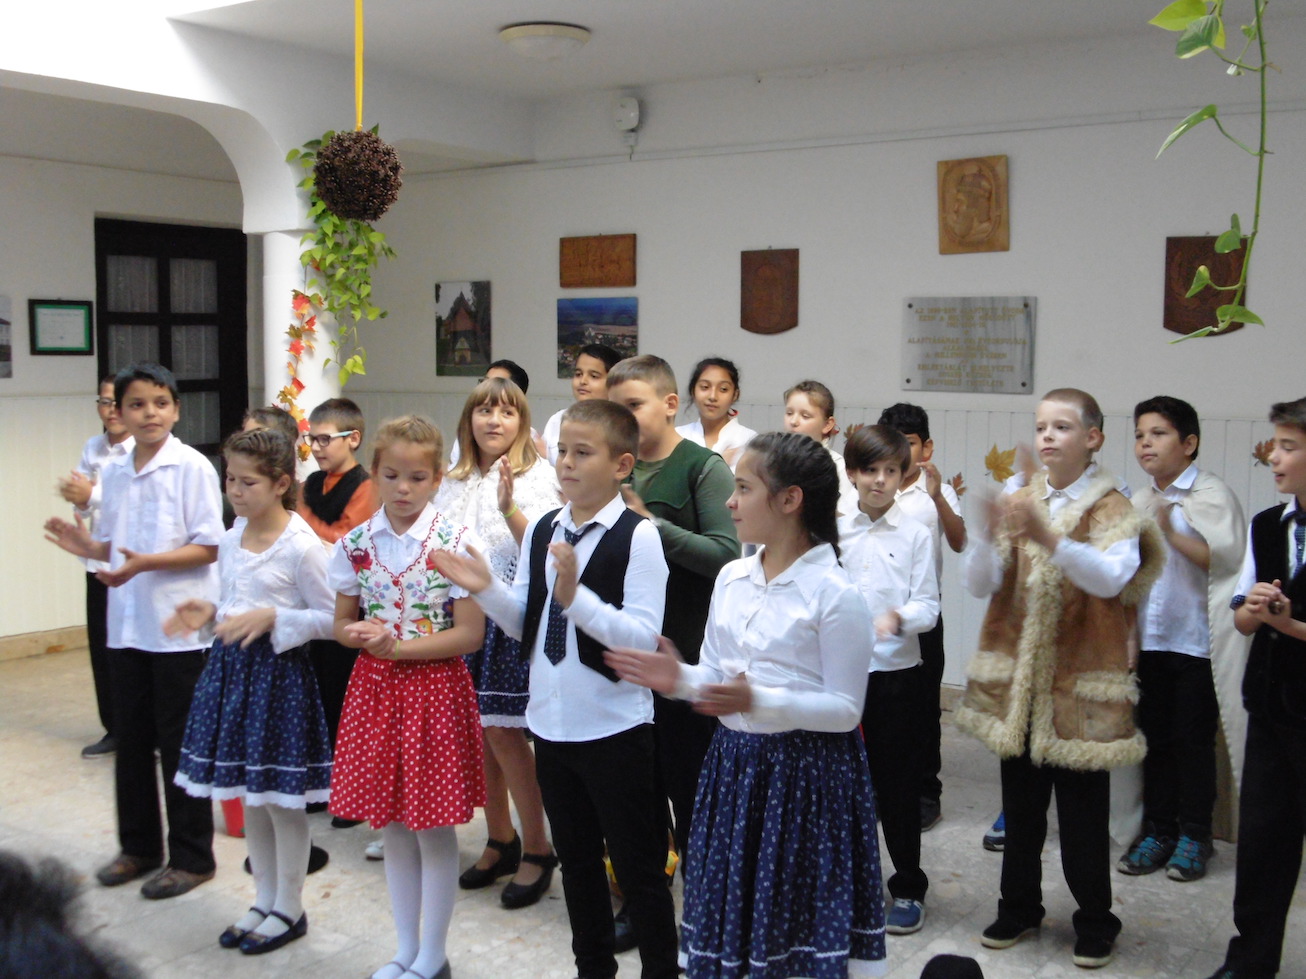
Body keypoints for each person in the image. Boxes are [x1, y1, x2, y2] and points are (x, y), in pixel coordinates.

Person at [605, 431, 886, 979]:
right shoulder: (733, 577)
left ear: (790, 499)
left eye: (743, 488)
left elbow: (845, 709)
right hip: (735, 768)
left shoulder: (835, 593)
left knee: (791, 918)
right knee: (733, 904)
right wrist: (678, 679)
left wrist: (760, 699)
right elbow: (715, 676)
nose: (730, 503)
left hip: (806, 778)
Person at [432, 399, 680, 979]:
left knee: (638, 870)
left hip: (615, 729)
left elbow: (641, 639)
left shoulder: (638, 536)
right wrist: (487, 589)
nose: (566, 462)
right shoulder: (545, 527)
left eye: (582, 452)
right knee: (578, 864)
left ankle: (661, 970)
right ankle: (592, 968)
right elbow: (528, 620)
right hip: (551, 725)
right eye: (563, 450)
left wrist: (577, 598)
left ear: (621, 465)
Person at [954, 388, 1164, 970]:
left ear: (1093, 438)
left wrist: (1047, 537)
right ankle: (1018, 907)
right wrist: (984, 531)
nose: (1047, 436)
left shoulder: (1113, 507)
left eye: (1062, 427)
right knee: (1020, 811)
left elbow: (1110, 579)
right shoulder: (1022, 499)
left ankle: (1095, 920)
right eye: (1041, 426)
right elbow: (980, 584)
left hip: (1078, 691)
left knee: (1082, 820)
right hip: (1021, 689)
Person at [43, 363, 223, 900]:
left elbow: (207, 547)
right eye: (137, 404)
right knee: (133, 741)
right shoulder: (116, 471)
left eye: (161, 403)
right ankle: (139, 847)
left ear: (176, 409)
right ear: (118, 412)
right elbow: (118, 545)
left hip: (177, 627)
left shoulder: (191, 467)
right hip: (126, 625)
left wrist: (143, 564)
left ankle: (192, 857)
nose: (150, 414)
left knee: (179, 744)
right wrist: (89, 548)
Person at [327, 415, 487, 979]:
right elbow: (340, 624)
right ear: (374, 472)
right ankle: (405, 949)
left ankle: (433, 954)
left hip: (434, 693)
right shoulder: (355, 544)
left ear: (437, 478)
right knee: (393, 825)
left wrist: (398, 647)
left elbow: (470, 635)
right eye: (391, 475)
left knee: (432, 826)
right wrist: (360, 635)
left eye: (417, 478)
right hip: (376, 694)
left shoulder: (455, 542)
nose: (403, 488)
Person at [166, 428, 335, 954]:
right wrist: (210, 613)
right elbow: (232, 603)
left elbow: (334, 619)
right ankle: (263, 900)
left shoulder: (302, 547)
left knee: (282, 803)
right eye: (230, 480)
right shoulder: (230, 537)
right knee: (251, 799)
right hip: (232, 676)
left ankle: (290, 907)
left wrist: (274, 618)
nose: (235, 491)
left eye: (248, 482)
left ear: (281, 483)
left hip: (278, 682)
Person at [607, 354, 740, 945]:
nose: (622, 418)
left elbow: (727, 555)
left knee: (690, 794)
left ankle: (706, 912)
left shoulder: (701, 468)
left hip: (684, 659)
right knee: (636, 797)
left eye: (633, 405)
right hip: (625, 662)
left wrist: (649, 526)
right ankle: (644, 904)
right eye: (614, 408)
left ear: (668, 404)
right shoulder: (614, 466)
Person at [435, 377, 561, 908]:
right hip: (458, 617)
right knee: (479, 735)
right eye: (484, 410)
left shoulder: (538, 476)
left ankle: (538, 846)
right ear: (468, 421)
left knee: (507, 737)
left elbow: (545, 547)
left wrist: (510, 506)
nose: (494, 420)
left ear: (522, 423)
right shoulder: (455, 479)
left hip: (506, 618)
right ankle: (499, 838)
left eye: (506, 412)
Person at [1118, 396, 1247, 884]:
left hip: (1197, 643)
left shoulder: (1211, 495)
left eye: (1158, 434)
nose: (1145, 444)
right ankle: (1159, 829)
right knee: (1155, 740)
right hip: (1152, 642)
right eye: (1139, 435)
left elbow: (1228, 561)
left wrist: (1170, 530)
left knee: (1193, 742)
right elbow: (1128, 575)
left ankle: (1196, 834)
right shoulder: (1139, 501)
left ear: (1189, 443)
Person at [1204, 396, 1306, 979]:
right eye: (1275, 444)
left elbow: (1286, 625)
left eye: (1289, 446)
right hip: (1270, 707)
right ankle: (1250, 961)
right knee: (1264, 842)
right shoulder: (1269, 525)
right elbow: (1242, 618)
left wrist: (1289, 624)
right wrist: (1258, 610)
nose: (1275, 457)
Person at [840, 425, 938, 937]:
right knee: (842, 786)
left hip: (895, 676)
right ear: (851, 473)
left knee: (897, 785)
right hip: (840, 675)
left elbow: (928, 606)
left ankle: (907, 886)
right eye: (870, 470)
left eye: (890, 471)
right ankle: (852, 883)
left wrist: (897, 619)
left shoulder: (916, 533)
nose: (879, 480)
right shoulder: (832, 530)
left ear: (904, 476)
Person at [876, 403, 966, 832]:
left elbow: (960, 541)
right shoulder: (876, 486)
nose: (900, 453)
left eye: (909, 444)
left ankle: (927, 793)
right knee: (879, 708)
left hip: (924, 615)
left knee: (924, 708)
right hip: (877, 616)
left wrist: (937, 497)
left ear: (926, 448)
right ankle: (882, 789)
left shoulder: (937, 491)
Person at [295, 397, 379, 824]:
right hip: (314, 602)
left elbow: (346, 539)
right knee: (319, 698)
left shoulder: (367, 486)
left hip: (353, 606)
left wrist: (300, 521)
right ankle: (322, 784)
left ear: (354, 439)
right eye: (311, 439)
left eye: (325, 439)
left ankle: (356, 794)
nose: (316, 447)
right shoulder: (310, 484)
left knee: (349, 704)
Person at [56, 375, 134, 759]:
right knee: (102, 650)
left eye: (118, 402)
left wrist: (92, 494)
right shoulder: (93, 447)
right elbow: (83, 505)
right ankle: (114, 729)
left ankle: (143, 731)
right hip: (97, 562)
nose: (111, 410)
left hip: (136, 566)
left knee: (133, 651)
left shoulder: (144, 450)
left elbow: (131, 498)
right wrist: (83, 499)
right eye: (104, 402)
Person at [782, 379, 858, 516]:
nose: (793, 421)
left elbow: (843, 518)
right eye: (789, 413)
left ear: (828, 424)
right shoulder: (772, 459)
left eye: (805, 416)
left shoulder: (837, 467)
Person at [543, 343, 622, 465]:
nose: (583, 381)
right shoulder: (557, 420)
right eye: (578, 374)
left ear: (613, 382)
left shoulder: (621, 424)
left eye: (594, 376)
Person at [675, 356, 757, 470]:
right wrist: (719, 464)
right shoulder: (677, 437)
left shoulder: (750, 441)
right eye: (705, 387)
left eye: (723, 389)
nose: (713, 396)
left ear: (735, 395)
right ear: (693, 391)